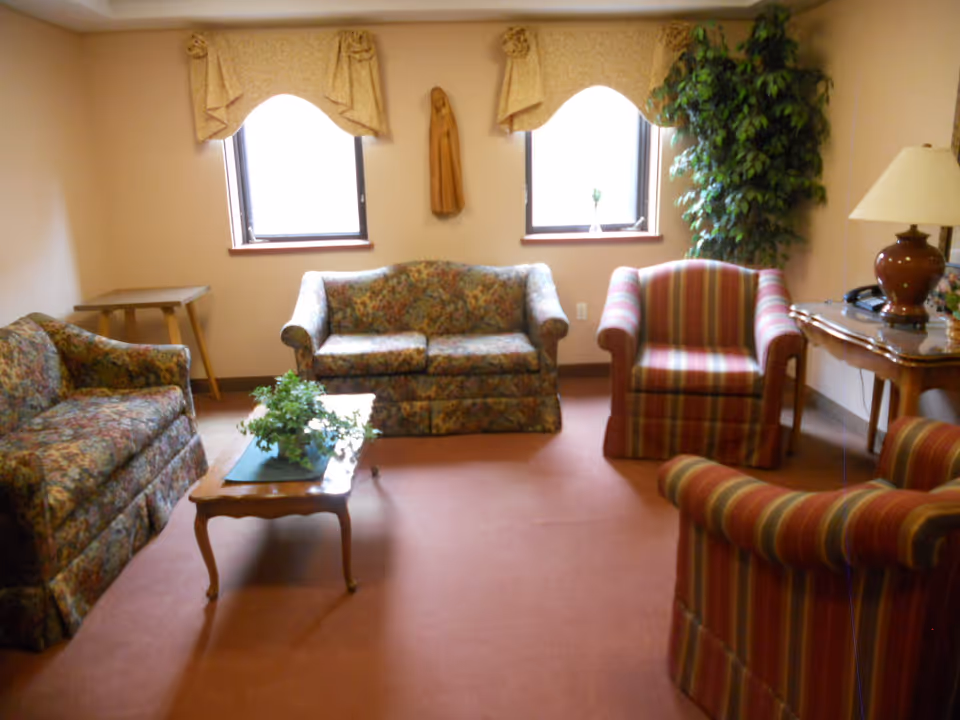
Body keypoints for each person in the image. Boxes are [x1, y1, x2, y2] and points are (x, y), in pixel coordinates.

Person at [429, 87, 465, 216]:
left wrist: (445, 131)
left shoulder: (448, 116)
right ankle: (441, 204)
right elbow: (433, 138)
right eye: (435, 102)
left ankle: (451, 203)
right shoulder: (434, 119)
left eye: (439, 100)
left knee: (449, 177)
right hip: (439, 154)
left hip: (448, 153)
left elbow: (452, 134)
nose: (438, 104)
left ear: (444, 100)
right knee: (440, 178)